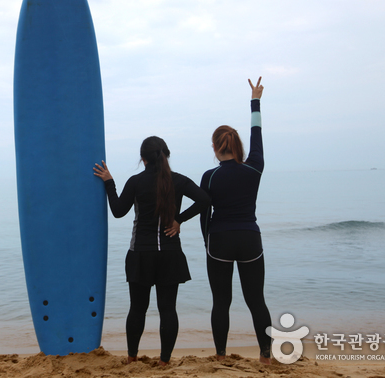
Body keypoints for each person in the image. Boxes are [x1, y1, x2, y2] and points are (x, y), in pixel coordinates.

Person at [93, 137, 209, 366]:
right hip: (169, 254)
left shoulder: (136, 182)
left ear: (143, 158)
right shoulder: (179, 180)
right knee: (168, 308)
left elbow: (117, 211)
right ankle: (165, 361)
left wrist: (109, 182)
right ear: (166, 155)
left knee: (137, 309)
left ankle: (132, 357)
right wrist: (179, 220)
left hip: (141, 254)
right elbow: (205, 200)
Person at [199, 77, 272, 364]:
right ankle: (266, 356)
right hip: (250, 238)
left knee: (222, 302)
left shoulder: (210, 176)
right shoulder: (254, 168)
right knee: (256, 301)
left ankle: (220, 355)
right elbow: (258, 134)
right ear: (237, 146)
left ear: (216, 148)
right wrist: (255, 101)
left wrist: (208, 241)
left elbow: (205, 214)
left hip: (220, 240)